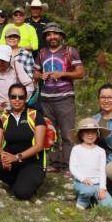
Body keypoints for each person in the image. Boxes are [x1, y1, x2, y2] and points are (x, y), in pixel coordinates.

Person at [34, 23, 84, 174]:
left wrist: (63, 74)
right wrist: (40, 76)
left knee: (68, 133)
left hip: (65, 98)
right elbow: (35, 73)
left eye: (55, 34)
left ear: (61, 36)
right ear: (46, 38)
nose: (52, 37)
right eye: (49, 34)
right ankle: (55, 163)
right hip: (46, 99)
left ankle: (70, 165)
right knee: (51, 133)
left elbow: (80, 73)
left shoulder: (70, 51)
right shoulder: (42, 53)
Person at [0, 83, 48, 200]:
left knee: (21, 194)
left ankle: (25, 184)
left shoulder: (35, 116)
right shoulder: (4, 118)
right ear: (9, 98)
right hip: (12, 161)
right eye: (13, 97)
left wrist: (16, 157)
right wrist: (4, 157)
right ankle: (16, 182)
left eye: (21, 97)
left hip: (33, 163)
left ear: (25, 98)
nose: (17, 100)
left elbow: (39, 146)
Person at [69, 118, 112, 209]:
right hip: (82, 183)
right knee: (87, 191)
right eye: (87, 132)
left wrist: (102, 188)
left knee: (110, 206)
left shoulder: (101, 151)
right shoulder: (76, 149)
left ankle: (94, 197)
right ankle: (84, 200)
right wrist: (83, 179)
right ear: (81, 134)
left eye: (93, 132)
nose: (90, 135)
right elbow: (72, 168)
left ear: (97, 134)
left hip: (97, 184)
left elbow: (102, 171)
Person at [0, 45, 34, 110]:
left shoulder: (16, 66)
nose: (0, 63)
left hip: (14, 110)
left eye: (3, 61)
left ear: (10, 59)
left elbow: (30, 86)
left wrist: (19, 100)